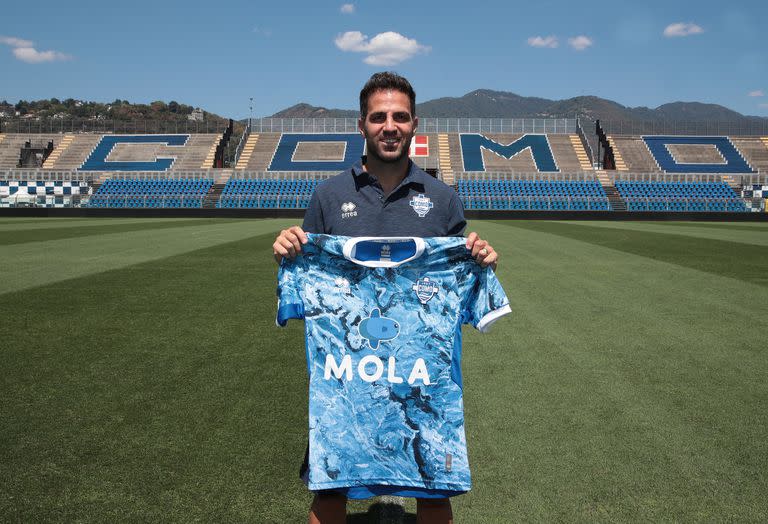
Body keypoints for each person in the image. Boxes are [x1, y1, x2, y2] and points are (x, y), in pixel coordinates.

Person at [273, 71, 499, 524]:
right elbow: (311, 274)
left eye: (399, 117)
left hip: (420, 373)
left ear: (415, 124)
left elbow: (455, 270)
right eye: (378, 117)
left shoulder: (442, 199)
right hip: (346, 378)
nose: (389, 126)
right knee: (329, 491)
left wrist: (480, 258)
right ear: (362, 125)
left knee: (434, 493)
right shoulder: (329, 195)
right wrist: (291, 250)